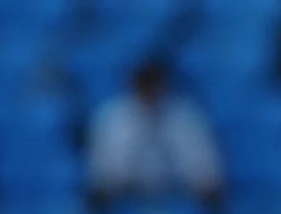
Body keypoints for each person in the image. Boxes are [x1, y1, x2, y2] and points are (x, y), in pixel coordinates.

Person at [86, 58, 223, 200]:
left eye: (154, 89)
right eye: (145, 89)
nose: (150, 96)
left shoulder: (184, 117)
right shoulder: (111, 117)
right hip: (125, 200)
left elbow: (206, 171)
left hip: (178, 197)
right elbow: (101, 174)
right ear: (134, 88)